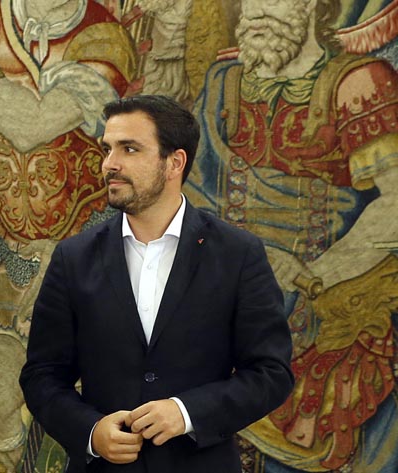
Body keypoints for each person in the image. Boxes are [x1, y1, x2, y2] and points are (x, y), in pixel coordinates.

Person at [19, 95, 294, 472]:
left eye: (129, 149)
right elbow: (42, 376)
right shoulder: (73, 258)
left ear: (174, 162)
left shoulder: (237, 254)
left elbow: (271, 373)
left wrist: (186, 413)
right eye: (108, 149)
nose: (110, 164)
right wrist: (92, 431)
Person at [187, 0, 398, 470]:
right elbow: (191, 193)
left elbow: (396, 202)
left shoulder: (358, 83)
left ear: (315, 6)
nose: (255, 10)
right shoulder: (225, 83)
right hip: (227, 296)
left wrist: (314, 273)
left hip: (322, 304)